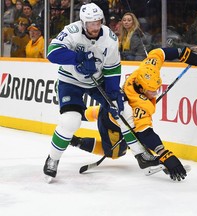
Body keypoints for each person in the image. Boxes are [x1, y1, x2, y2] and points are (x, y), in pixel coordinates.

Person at [43, 3, 160, 183]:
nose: (95, 27)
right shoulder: (72, 31)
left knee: (124, 112)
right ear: (83, 22)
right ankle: (53, 158)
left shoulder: (110, 38)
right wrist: (77, 58)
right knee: (70, 121)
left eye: (98, 22)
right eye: (91, 23)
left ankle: (141, 156)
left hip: (96, 81)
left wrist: (113, 93)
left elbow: (112, 68)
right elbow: (52, 53)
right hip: (70, 81)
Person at [70, 47, 197, 181]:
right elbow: (145, 132)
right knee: (115, 153)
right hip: (111, 121)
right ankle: (77, 141)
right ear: (140, 88)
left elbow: (159, 53)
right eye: (151, 91)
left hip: (111, 107)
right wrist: (165, 154)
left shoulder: (146, 70)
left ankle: (78, 113)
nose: (155, 93)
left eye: (157, 88)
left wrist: (184, 53)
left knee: (105, 114)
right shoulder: (140, 104)